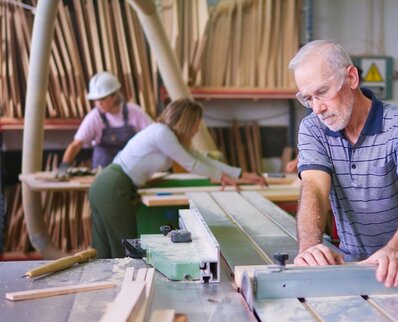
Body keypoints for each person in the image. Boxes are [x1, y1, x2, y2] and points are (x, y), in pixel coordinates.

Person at [289, 40, 398, 288]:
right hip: (354, 264)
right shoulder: (313, 128)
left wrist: (397, 249)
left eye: (322, 92)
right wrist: (309, 248)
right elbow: (314, 190)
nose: (317, 108)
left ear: (351, 78)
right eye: (308, 98)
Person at [88, 98, 266, 258]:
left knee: (106, 247)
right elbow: (192, 165)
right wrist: (222, 177)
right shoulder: (162, 133)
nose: (196, 130)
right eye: (196, 124)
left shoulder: (168, 135)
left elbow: (201, 158)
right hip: (113, 187)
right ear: (186, 122)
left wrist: (242, 175)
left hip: (109, 185)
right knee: (124, 249)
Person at [59, 71, 152, 173]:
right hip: (102, 172)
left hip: (131, 172)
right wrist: (64, 165)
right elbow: (76, 144)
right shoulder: (94, 117)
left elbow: (154, 135)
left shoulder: (134, 112)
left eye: (102, 98)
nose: (99, 103)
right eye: (96, 100)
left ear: (114, 95)